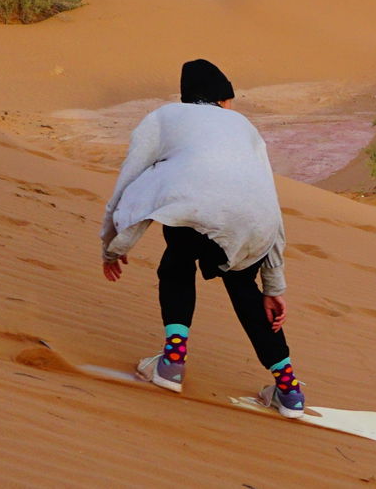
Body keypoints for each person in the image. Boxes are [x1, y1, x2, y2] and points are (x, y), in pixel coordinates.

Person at [99, 59, 304, 418]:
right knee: (243, 289)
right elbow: (269, 200)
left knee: (177, 263)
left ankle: (173, 361)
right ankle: (288, 390)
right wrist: (273, 285)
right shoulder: (245, 127)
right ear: (223, 100)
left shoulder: (165, 117)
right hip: (256, 222)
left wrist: (114, 244)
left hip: (195, 207)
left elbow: (131, 178)